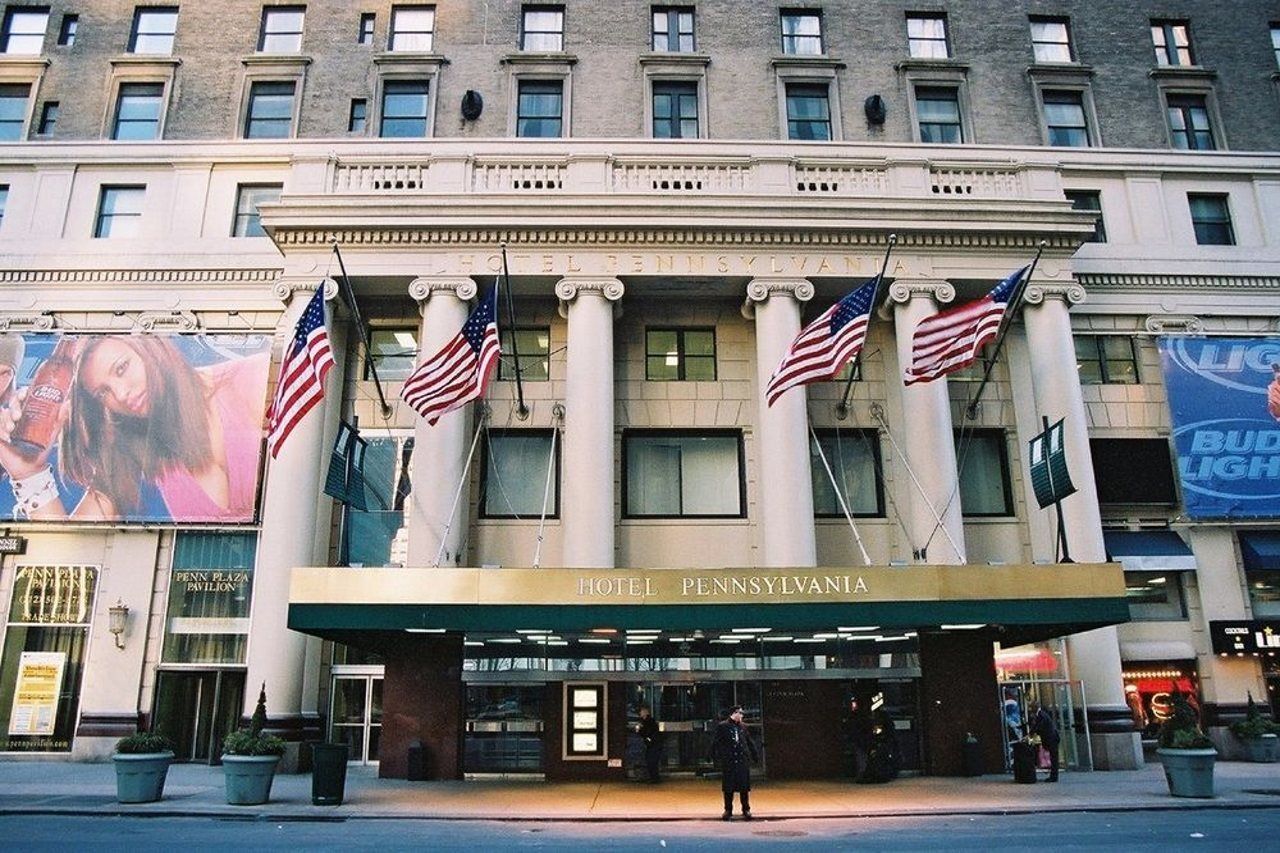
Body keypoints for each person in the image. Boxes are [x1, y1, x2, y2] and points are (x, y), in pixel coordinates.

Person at [0, 335, 268, 522]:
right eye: (103, 393)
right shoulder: (134, 442)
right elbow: (67, 560)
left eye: (121, 368)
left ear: (148, 348)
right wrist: (28, 473)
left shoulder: (253, 379)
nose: (122, 394)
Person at [712, 705, 759, 820]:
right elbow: (716, 742)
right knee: (729, 787)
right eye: (740, 713)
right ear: (734, 713)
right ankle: (728, 810)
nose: (742, 715)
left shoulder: (743, 727)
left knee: (744, 787)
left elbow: (749, 741)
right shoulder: (723, 726)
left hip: (742, 760)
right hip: (729, 760)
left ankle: (746, 809)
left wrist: (754, 755)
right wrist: (713, 756)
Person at [1029, 701, 1061, 782]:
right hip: (1051, 738)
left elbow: (1039, 726)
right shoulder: (1040, 715)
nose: (1031, 709)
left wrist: (1032, 733)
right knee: (1053, 758)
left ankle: (1054, 777)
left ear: (1035, 707)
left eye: (1032, 707)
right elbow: (1037, 726)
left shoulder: (1041, 715)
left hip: (1052, 739)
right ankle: (1053, 776)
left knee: (1054, 758)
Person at [635, 705, 661, 783]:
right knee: (650, 760)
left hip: (653, 744)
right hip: (652, 743)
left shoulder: (648, 721)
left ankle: (654, 778)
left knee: (651, 760)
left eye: (641, 711)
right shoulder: (646, 721)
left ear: (645, 712)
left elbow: (647, 733)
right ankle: (653, 777)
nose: (640, 713)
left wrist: (639, 730)